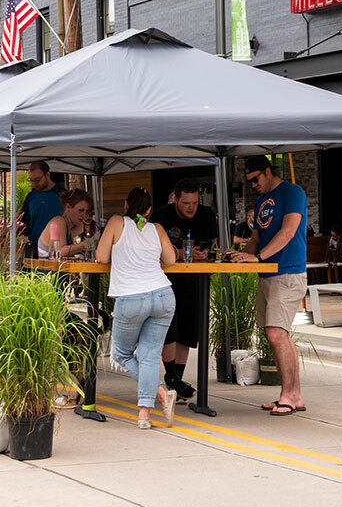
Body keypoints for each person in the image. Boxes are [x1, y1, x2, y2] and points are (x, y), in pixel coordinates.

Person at [231, 155, 309, 416]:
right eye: (249, 181)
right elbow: (257, 238)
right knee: (275, 335)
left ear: (267, 171)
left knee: (277, 334)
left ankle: (290, 394)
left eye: (255, 179)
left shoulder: (292, 192)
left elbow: (288, 232)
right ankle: (293, 394)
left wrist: (259, 257)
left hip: (287, 272)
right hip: (265, 274)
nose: (253, 185)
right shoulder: (261, 200)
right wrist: (241, 254)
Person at [96, 187, 176, 430]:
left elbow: (101, 257)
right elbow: (171, 260)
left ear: (125, 205)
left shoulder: (116, 222)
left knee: (121, 353)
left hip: (131, 297)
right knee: (150, 355)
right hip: (163, 295)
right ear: (149, 210)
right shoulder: (157, 228)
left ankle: (160, 394)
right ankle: (144, 414)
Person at [151, 178, 219, 400]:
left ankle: (176, 383)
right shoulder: (161, 216)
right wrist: (179, 253)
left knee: (188, 334)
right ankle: (172, 377)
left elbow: (210, 246)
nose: (191, 207)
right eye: (186, 203)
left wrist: (204, 254)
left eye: (195, 202)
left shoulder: (207, 216)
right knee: (169, 331)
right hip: (165, 280)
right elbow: (153, 247)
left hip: (195, 280)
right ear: (175, 200)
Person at [18, 161, 65, 256]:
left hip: (56, 247)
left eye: (37, 180)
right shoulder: (31, 196)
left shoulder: (62, 194)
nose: (34, 184)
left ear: (47, 175)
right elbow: (25, 222)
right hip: (34, 246)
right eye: (31, 180)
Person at [37, 188, 95, 259]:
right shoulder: (59, 222)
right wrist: (87, 243)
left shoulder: (71, 226)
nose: (84, 215)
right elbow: (61, 252)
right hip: (46, 268)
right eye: (81, 210)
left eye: (86, 212)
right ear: (68, 207)